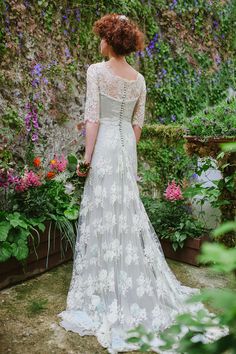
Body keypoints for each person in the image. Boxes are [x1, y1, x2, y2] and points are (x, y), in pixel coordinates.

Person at [57, 13, 228, 354]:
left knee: (104, 209)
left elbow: (93, 119)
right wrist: (124, 150)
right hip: (125, 148)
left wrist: (87, 160)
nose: (100, 42)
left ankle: (105, 281)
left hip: (105, 145)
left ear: (108, 40)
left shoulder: (96, 71)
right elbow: (137, 126)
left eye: (102, 36)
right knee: (125, 209)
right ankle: (126, 275)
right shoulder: (139, 79)